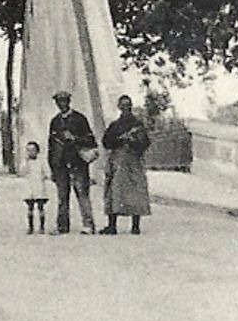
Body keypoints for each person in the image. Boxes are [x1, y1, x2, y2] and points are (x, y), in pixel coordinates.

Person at [99, 94, 152, 235]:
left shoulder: (137, 125)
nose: (125, 108)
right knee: (114, 191)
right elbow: (106, 142)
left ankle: (135, 225)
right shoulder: (115, 125)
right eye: (123, 106)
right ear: (119, 107)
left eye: (128, 106)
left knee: (135, 191)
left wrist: (133, 140)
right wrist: (119, 139)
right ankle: (112, 225)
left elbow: (145, 143)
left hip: (133, 161)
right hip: (117, 160)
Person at [46, 89, 98, 235]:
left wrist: (74, 138)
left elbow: (90, 140)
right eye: (59, 101)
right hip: (60, 164)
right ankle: (62, 225)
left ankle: (88, 224)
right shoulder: (55, 121)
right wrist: (52, 167)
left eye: (64, 101)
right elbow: (51, 145)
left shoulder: (80, 119)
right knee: (62, 196)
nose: (61, 104)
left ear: (69, 102)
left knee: (82, 194)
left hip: (77, 162)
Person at [17, 140, 51, 234]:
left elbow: (47, 172)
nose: (31, 152)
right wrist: (26, 162)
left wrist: (46, 176)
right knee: (30, 207)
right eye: (28, 150)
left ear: (37, 151)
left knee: (40, 207)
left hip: (39, 186)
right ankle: (30, 227)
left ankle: (42, 227)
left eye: (33, 150)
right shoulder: (25, 162)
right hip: (30, 187)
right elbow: (22, 172)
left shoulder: (41, 162)